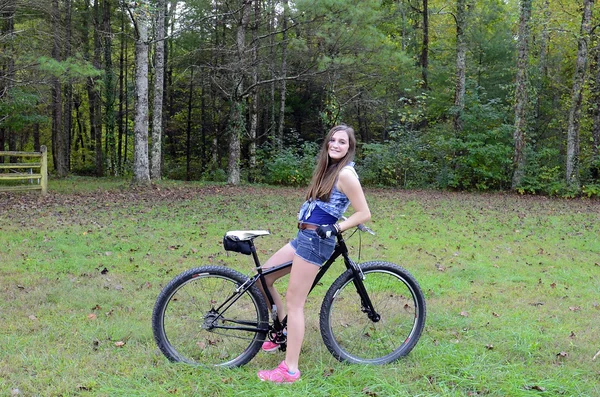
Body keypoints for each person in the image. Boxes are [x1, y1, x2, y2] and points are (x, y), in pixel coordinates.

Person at [257, 124, 371, 383]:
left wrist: (335, 227)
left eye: (342, 142)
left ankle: (290, 369)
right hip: (304, 237)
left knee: (295, 302)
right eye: (332, 140)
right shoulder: (330, 169)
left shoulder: (346, 175)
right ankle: (282, 332)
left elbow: (364, 212)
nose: (335, 145)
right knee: (264, 277)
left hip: (317, 240)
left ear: (349, 147)